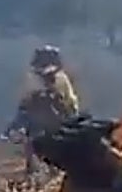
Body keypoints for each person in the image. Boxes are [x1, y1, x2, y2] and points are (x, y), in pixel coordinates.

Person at [6, 45, 81, 176]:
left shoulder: (61, 81)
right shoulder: (36, 83)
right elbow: (25, 106)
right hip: (41, 129)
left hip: (58, 128)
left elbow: (69, 107)